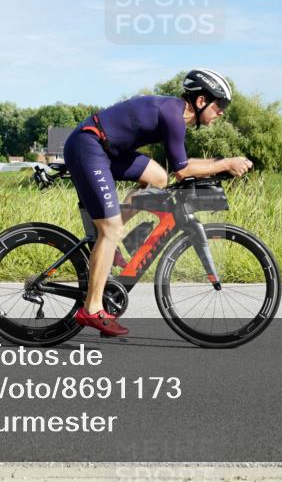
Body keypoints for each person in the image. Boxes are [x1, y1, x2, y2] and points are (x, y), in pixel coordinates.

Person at [63, 69, 253, 336]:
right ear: (200, 102)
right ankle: (92, 308)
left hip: (109, 150)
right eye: (219, 105)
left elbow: (179, 166)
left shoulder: (175, 115)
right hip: (89, 144)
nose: (222, 112)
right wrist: (225, 163)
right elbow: (184, 172)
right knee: (111, 229)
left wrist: (222, 164)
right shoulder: (172, 115)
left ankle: (110, 238)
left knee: (158, 178)